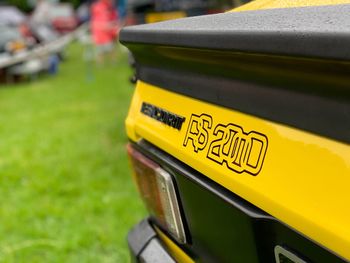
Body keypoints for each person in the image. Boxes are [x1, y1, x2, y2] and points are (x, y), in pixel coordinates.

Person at [90, 0, 119, 64]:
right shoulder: (99, 7)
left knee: (110, 49)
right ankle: (102, 64)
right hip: (100, 33)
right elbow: (98, 23)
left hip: (105, 33)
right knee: (101, 51)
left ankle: (113, 62)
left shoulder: (106, 7)